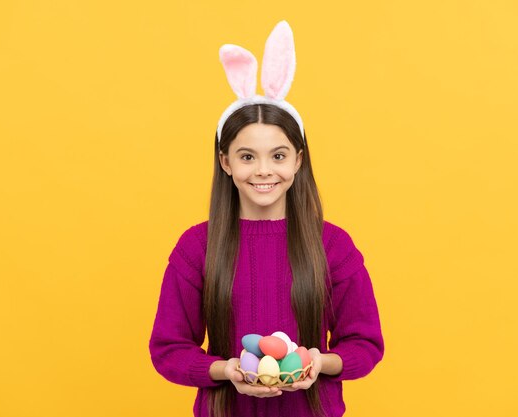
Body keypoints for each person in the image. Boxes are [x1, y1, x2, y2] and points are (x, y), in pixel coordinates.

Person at [149, 21, 384, 417]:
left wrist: (317, 362)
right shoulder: (196, 247)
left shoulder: (333, 245)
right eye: (246, 156)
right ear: (225, 162)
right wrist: (225, 369)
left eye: (278, 155)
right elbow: (168, 349)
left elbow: (365, 344)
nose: (263, 170)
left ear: (298, 159)